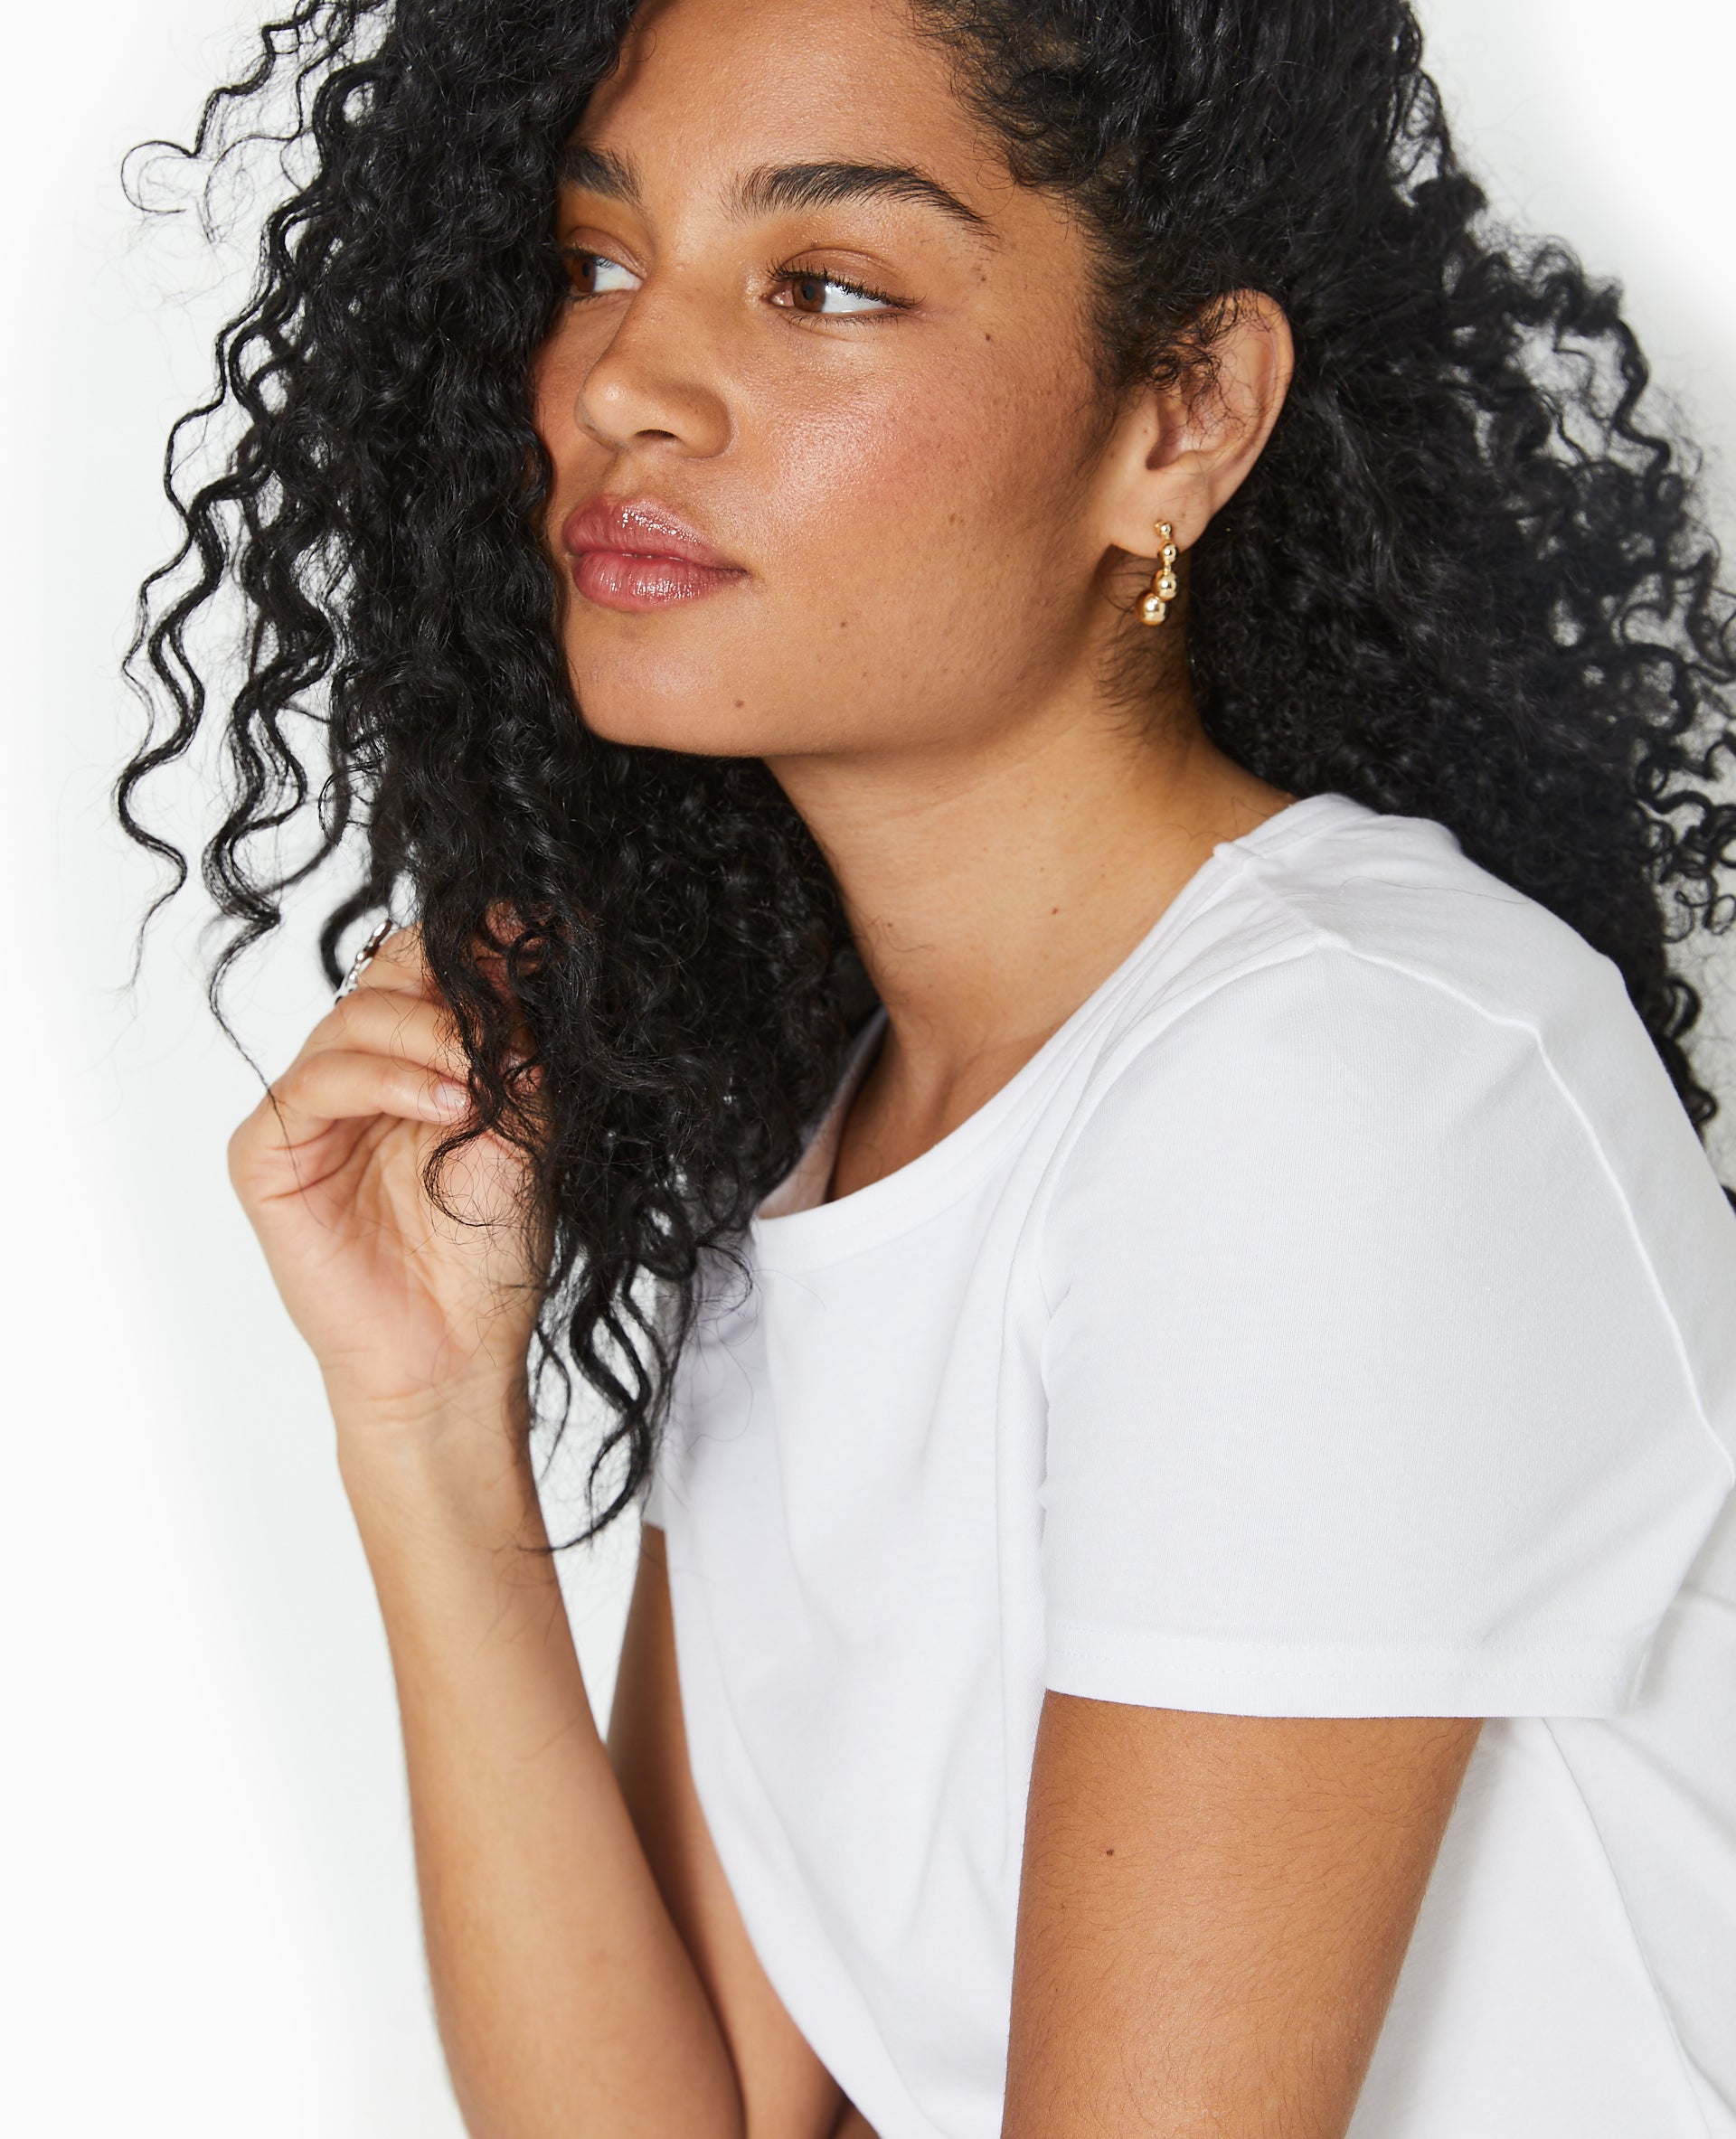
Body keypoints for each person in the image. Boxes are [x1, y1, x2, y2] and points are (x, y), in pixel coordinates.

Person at [121, 0, 1736, 2133]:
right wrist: (425, 1436)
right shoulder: (834, 1148)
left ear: (1183, 415)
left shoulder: (1344, 1080)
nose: (621, 380)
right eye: (600, 257)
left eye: (824, 285)